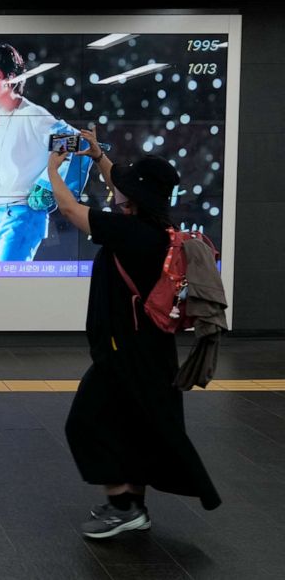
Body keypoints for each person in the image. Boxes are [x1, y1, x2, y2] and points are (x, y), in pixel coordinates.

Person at [48, 127, 221, 539]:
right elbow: (123, 185)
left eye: (123, 188)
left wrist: (53, 170)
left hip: (124, 352)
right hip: (151, 350)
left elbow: (71, 211)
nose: (115, 190)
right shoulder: (156, 227)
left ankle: (122, 505)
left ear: (135, 198)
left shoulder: (129, 233)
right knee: (138, 424)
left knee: (85, 423)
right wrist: (95, 157)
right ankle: (132, 507)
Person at [0, 43, 90, 261]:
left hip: (22, 215)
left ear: (11, 76)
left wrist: (46, 186)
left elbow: (75, 144)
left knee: (5, 285)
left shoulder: (33, 116)